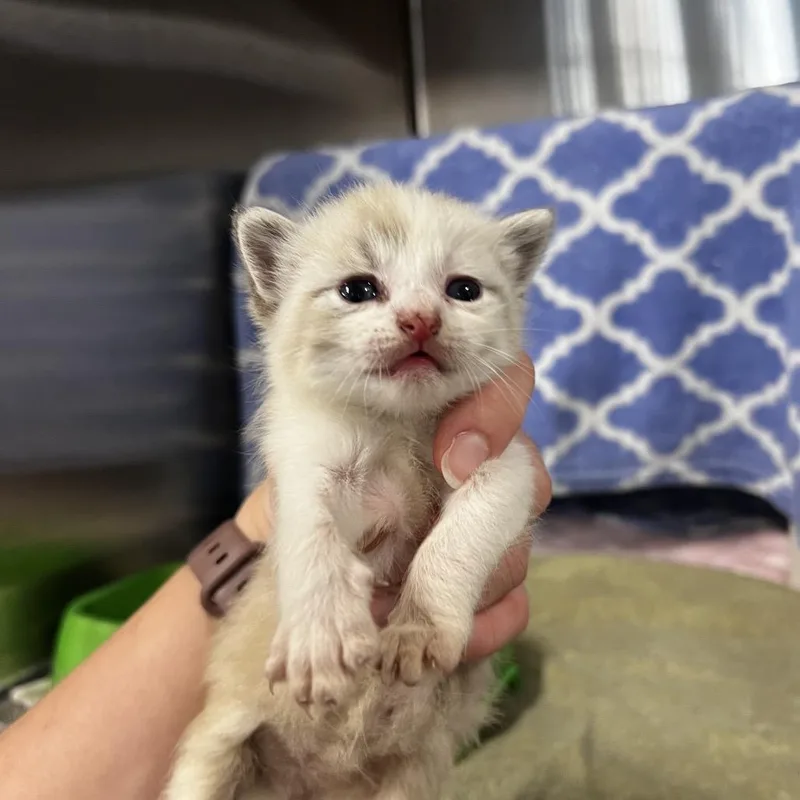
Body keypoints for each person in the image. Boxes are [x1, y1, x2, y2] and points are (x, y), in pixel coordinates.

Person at [0, 356, 551, 800]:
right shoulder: (314, 426)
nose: (419, 318)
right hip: (258, 734)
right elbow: (318, 507)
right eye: (358, 289)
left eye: (463, 289)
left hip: (395, 755)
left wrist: (430, 591)